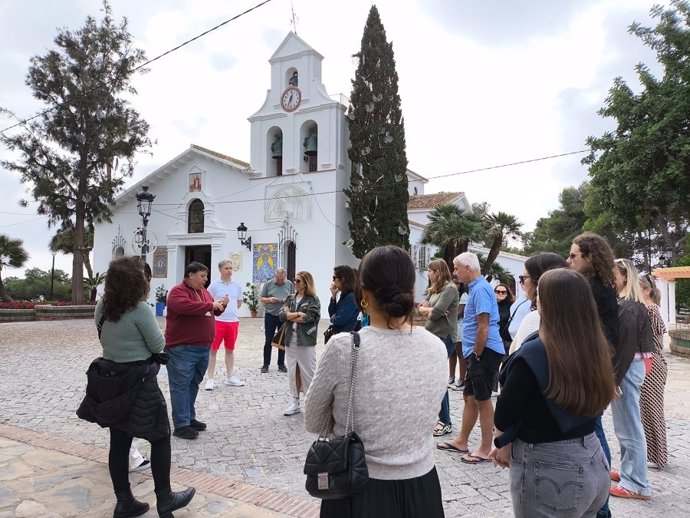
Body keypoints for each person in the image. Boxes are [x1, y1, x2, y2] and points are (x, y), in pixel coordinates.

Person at [304, 246, 447, 517]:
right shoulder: (437, 347)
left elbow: (313, 420)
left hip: (357, 489)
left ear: (364, 294)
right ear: (411, 291)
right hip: (422, 488)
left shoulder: (344, 347)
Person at [489, 268, 616, 518]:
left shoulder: (534, 354)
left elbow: (505, 412)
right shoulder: (595, 346)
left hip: (552, 469)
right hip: (593, 457)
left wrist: (502, 442)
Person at [82, 257, 195, 518]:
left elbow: (103, 336)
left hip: (111, 379)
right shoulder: (140, 309)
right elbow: (157, 345)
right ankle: (165, 498)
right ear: (137, 282)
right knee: (160, 436)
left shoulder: (103, 306)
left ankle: (124, 501)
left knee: (119, 441)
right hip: (139, 381)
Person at [568, 232, 619, 518]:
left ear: (589, 256)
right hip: (596, 369)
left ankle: (602, 507)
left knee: (595, 435)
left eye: (574, 255)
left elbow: (603, 337)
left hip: (593, 370)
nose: (569, 259)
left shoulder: (595, 291)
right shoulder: (599, 287)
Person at [437, 252, 504, 463]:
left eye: (457, 268)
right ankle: (462, 440)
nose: (454, 273)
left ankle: (486, 448)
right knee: (469, 398)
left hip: (485, 351)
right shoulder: (476, 288)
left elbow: (483, 326)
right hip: (477, 352)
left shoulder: (482, 289)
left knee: (483, 400)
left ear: (468, 268)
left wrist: (476, 354)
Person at [165, 262, 227, 440]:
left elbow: (209, 312)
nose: (205, 280)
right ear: (190, 275)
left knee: (192, 384)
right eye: (202, 276)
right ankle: (181, 425)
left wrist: (219, 306)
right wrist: (210, 305)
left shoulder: (204, 292)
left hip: (202, 347)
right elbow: (186, 307)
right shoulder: (178, 292)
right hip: (182, 349)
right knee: (180, 386)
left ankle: (189, 418)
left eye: (206, 276)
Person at [609, 258, 653, 500]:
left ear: (625, 276)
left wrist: (614, 379)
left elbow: (624, 347)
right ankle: (630, 472)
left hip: (627, 367)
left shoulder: (628, 306)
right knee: (626, 425)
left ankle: (636, 483)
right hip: (630, 366)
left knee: (629, 427)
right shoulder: (630, 304)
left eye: (612, 273)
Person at [417, 259, 458, 437]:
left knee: (439, 379)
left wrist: (431, 310)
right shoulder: (434, 289)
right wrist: (430, 309)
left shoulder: (449, 289)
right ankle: (437, 416)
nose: (428, 273)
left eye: (430, 271)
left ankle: (445, 420)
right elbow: (420, 308)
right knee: (431, 378)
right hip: (432, 336)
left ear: (438, 272)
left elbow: (435, 314)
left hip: (444, 338)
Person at [509, 253, 568, 354]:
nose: (521, 282)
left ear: (538, 280)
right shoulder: (577, 317)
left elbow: (520, 360)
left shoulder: (535, 318)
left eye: (523, 278)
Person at [280, 270, 320, 416]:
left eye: (298, 281)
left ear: (306, 283)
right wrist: (297, 314)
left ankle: (313, 404)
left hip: (306, 340)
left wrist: (290, 316)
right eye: (294, 280)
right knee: (293, 370)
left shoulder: (313, 300)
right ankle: (295, 402)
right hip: (291, 339)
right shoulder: (290, 298)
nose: (295, 283)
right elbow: (282, 316)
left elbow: (310, 317)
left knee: (308, 371)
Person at [638, 272, 668, 469]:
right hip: (651, 361)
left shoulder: (649, 311)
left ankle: (659, 456)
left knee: (652, 408)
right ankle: (654, 454)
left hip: (652, 362)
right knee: (647, 409)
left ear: (646, 291)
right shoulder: (649, 309)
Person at [205, 259, 244, 390]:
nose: (229, 271)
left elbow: (239, 302)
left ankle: (230, 377)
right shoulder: (214, 285)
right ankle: (210, 378)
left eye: (231, 268)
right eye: (226, 268)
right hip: (218, 322)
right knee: (213, 350)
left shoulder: (237, 285)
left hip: (232, 321)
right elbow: (208, 302)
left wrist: (231, 309)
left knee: (230, 349)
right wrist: (220, 303)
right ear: (220, 270)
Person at [259, 268, 294, 373]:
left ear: (285, 277)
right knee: (268, 340)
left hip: (283, 316)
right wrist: (270, 299)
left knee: (282, 340)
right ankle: (266, 365)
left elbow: (293, 298)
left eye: (282, 279)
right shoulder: (268, 284)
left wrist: (286, 302)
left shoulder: (289, 284)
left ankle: (281, 364)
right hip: (270, 314)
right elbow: (261, 298)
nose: (280, 281)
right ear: (275, 276)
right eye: (278, 279)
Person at [327, 265, 359, 340]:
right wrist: (333, 296)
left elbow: (340, 320)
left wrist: (333, 318)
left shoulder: (351, 297)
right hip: (339, 337)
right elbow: (332, 313)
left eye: (334, 278)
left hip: (346, 339)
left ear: (343, 279)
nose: (333, 281)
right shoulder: (344, 295)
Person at [450, 278, 469, 391]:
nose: (454, 285)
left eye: (457, 283)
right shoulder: (449, 294)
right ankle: (451, 376)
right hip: (451, 326)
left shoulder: (464, 295)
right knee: (452, 353)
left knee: (460, 353)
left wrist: (447, 317)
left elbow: (460, 312)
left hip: (459, 327)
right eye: (453, 282)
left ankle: (462, 378)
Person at [495, 283, 515, 351]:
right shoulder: (492, 305)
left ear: (507, 294)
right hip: (495, 337)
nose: (500, 293)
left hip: (506, 339)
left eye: (503, 292)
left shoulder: (512, 306)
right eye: (498, 291)